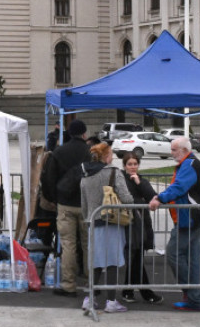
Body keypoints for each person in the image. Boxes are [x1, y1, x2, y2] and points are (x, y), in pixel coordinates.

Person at [149, 136, 200, 311]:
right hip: (193, 216)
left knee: (173, 253)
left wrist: (160, 198)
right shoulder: (191, 163)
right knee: (192, 257)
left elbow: (179, 186)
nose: (171, 153)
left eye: (174, 150)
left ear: (184, 150)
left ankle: (191, 293)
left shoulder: (189, 165)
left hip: (189, 217)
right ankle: (194, 298)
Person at [80, 142, 134, 314]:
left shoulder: (85, 175)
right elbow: (127, 198)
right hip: (111, 221)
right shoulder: (113, 172)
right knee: (112, 262)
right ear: (106, 156)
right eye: (110, 153)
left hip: (93, 221)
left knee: (95, 263)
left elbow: (84, 204)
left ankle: (89, 298)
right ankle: (111, 301)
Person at [42, 119, 91, 297]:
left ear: (69, 133)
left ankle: (68, 284)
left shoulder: (59, 151)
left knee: (68, 244)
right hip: (87, 204)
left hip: (65, 203)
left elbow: (48, 178)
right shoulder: (90, 152)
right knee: (88, 244)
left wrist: (55, 198)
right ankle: (91, 282)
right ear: (84, 134)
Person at [119, 153, 163, 304]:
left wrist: (139, 182)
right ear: (124, 165)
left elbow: (153, 196)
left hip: (141, 221)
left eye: (135, 164)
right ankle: (142, 292)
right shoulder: (121, 179)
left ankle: (130, 291)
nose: (132, 167)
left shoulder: (141, 179)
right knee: (134, 257)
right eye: (129, 164)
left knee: (137, 257)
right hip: (127, 222)